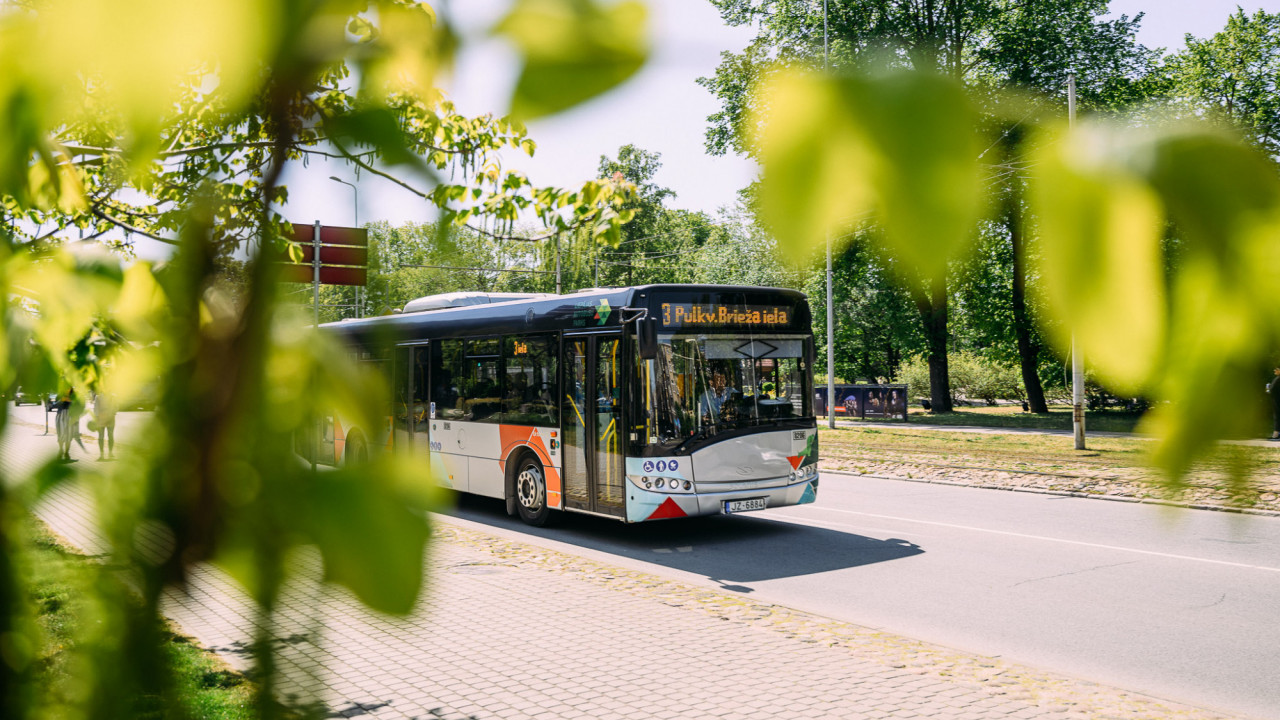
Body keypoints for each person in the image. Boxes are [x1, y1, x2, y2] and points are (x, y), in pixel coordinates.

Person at [92, 390, 117, 460]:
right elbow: (96, 408)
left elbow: (116, 407)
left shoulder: (113, 396)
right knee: (101, 436)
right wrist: (97, 418)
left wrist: (112, 414)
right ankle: (101, 454)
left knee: (110, 435)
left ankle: (110, 453)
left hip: (110, 418)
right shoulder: (98, 397)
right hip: (101, 418)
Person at [1268, 367, 1280, 440]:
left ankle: (1275, 435)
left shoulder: (1278, 379)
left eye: (1276, 369)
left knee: (1277, 416)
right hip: (1277, 400)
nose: (1274, 370)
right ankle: (1276, 434)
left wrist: (1268, 388)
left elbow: (1271, 390)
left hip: (1277, 401)